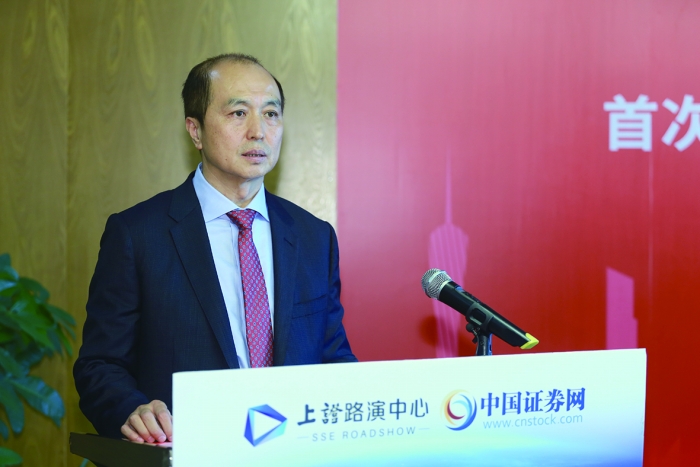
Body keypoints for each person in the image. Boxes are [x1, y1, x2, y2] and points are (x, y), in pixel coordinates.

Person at [73, 53, 356, 444]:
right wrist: (131, 410)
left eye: (271, 114)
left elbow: (332, 357)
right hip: (188, 449)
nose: (258, 131)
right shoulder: (137, 234)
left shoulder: (313, 237)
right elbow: (100, 365)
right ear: (195, 131)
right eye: (238, 113)